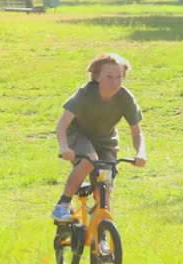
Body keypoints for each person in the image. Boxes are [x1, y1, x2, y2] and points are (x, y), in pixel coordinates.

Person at [51, 53, 147, 222]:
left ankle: (102, 237)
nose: (115, 82)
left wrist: (141, 153)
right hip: (77, 135)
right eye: (109, 77)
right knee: (89, 159)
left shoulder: (125, 98)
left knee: (104, 189)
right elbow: (62, 125)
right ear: (96, 77)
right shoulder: (85, 94)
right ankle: (62, 205)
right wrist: (65, 147)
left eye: (119, 77)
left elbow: (136, 132)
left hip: (106, 141)